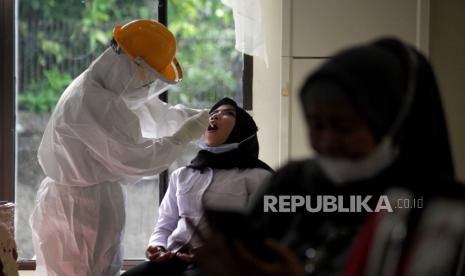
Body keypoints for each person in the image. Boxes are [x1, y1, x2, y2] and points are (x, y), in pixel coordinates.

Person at [193, 38, 465, 276]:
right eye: (315, 124)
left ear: (391, 125)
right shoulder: (291, 183)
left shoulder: (438, 213)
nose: (327, 141)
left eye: (344, 127)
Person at [29, 19, 210, 276]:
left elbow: (150, 114)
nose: (147, 87)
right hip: (77, 209)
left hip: (84, 201)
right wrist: (184, 135)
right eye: (148, 79)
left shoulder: (107, 87)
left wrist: (191, 119)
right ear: (134, 66)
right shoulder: (92, 101)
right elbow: (139, 158)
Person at [121, 97, 273, 276]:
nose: (215, 117)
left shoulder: (259, 176)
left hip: (222, 265)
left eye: (227, 114)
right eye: (213, 113)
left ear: (243, 129)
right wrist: (157, 246)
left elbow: (265, 232)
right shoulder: (182, 175)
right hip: (171, 259)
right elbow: (166, 223)